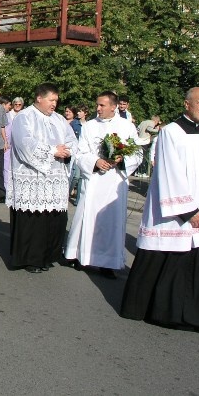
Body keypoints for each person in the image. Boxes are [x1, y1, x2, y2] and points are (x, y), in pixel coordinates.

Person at [120, 87, 199, 341]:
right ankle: (167, 314)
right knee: (172, 262)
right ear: (187, 104)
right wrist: (189, 211)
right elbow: (169, 171)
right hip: (179, 214)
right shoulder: (171, 132)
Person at [64, 92, 141, 279]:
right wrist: (96, 161)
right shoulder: (89, 126)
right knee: (85, 216)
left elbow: (137, 153)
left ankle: (108, 262)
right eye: (97, 105)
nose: (98, 109)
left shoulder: (127, 127)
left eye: (102, 105)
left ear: (113, 107)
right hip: (94, 179)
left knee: (111, 222)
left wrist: (123, 160)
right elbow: (80, 153)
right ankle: (80, 256)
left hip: (114, 182)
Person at [6, 83, 77, 273]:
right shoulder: (24, 117)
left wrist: (67, 151)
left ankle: (47, 256)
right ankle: (31, 259)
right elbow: (24, 144)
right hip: (32, 177)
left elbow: (72, 140)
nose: (55, 104)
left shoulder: (59, 119)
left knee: (53, 219)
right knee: (33, 220)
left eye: (56, 100)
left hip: (55, 178)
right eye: (51, 100)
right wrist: (53, 150)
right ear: (39, 98)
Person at [3, 97, 24, 198]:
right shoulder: (7, 115)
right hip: (8, 144)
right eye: (15, 104)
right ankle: (7, 188)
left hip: (20, 145)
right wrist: (5, 141)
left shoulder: (24, 115)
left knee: (19, 166)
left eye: (19, 104)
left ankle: (18, 188)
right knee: (6, 166)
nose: (17, 106)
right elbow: (3, 129)